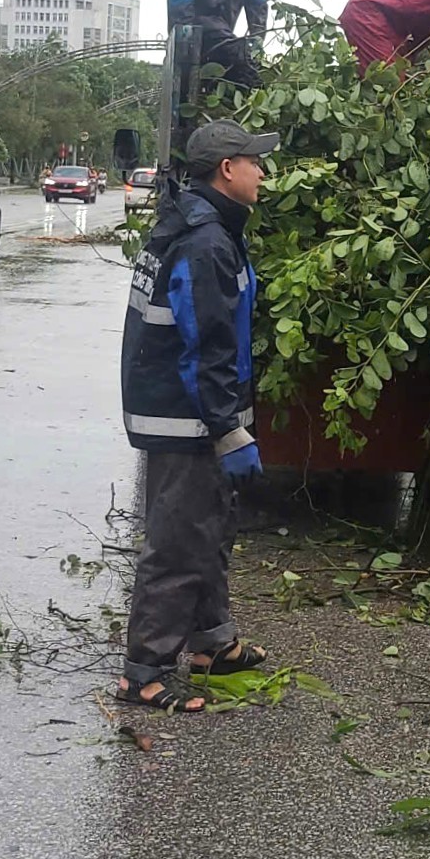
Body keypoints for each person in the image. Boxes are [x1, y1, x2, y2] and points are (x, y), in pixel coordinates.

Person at [117, 120, 278, 713]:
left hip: (181, 409)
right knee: (180, 540)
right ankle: (142, 672)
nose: (262, 172)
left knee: (211, 524)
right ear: (227, 170)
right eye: (253, 162)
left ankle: (213, 643)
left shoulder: (198, 224)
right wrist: (229, 428)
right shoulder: (204, 244)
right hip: (185, 416)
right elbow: (205, 344)